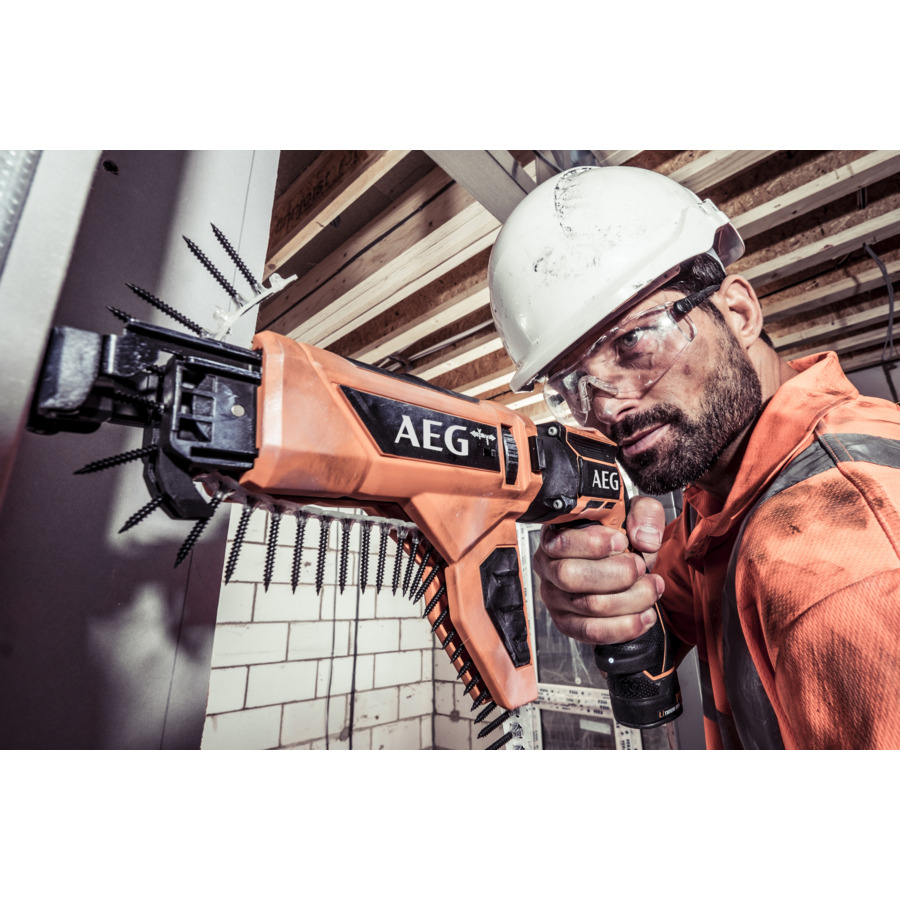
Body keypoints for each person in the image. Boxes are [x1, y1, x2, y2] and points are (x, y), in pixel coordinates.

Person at [488, 164, 900, 749]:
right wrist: (608, 590)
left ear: (738, 313)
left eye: (633, 341)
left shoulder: (833, 560)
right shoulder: (731, 493)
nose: (605, 408)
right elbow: (670, 603)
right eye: (572, 385)